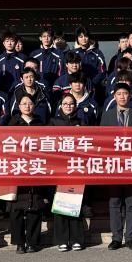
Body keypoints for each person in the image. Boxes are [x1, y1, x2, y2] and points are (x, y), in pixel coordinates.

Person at [100, 83, 132, 250]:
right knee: (115, 202)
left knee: (131, 202)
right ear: (114, 97)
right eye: (119, 93)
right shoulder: (107, 115)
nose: (122, 96)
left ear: (130, 96)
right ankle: (116, 238)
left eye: (125, 93)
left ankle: (131, 238)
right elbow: (102, 140)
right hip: (114, 165)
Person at [6, 95, 48, 253]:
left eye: (30, 103)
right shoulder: (12, 123)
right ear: (19, 106)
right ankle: (19, 242)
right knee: (16, 208)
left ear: (34, 105)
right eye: (24, 103)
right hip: (17, 168)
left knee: (34, 207)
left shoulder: (40, 123)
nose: (27, 106)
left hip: (36, 168)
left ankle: (32, 242)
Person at [50, 94, 86, 251]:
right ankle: (62, 240)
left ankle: (77, 239)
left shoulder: (81, 122)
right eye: (65, 103)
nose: (68, 106)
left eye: (71, 104)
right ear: (60, 106)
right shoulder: (53, 122)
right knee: (61, 204)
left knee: (75, 203)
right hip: (59, 167)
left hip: (76, 166)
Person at [0, 29, 27, 93]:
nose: (9, 43)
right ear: (3, 43)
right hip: (1, 92)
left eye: (12, 41)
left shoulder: (23, 58)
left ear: (15, 42)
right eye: (7, 41)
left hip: (18, 92)